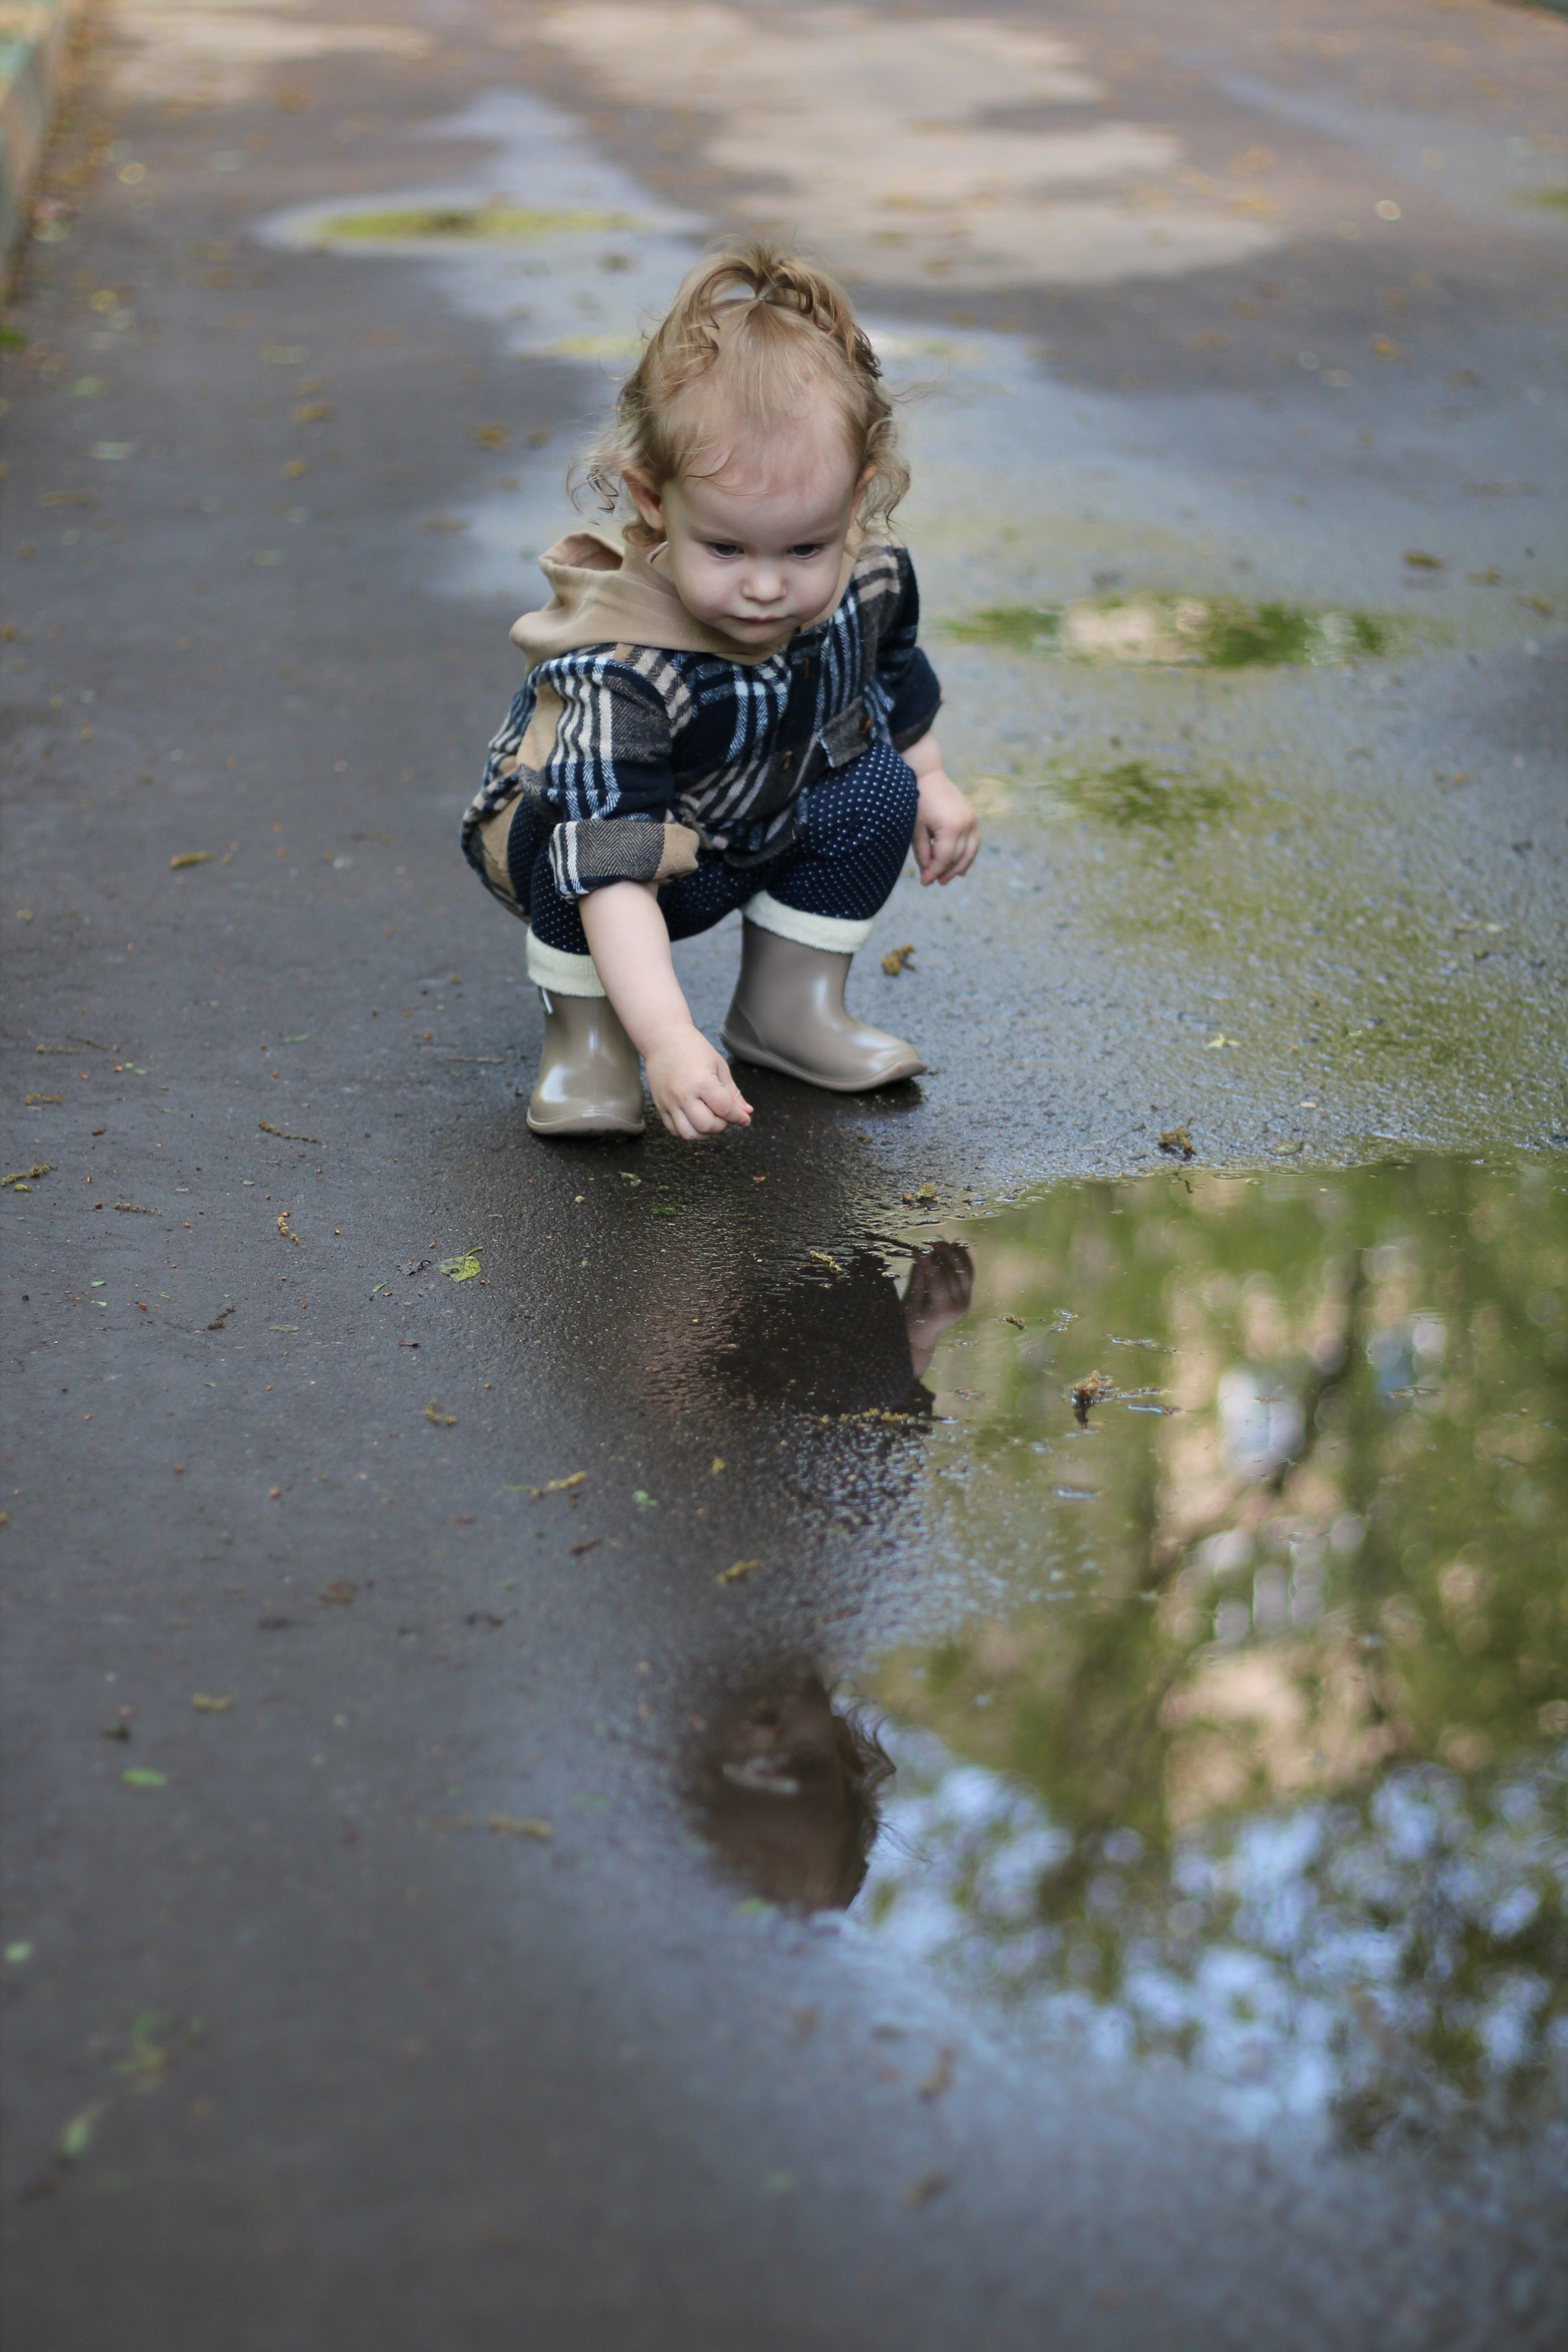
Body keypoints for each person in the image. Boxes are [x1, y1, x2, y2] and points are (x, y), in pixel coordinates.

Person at [461, 244, 979, 1140]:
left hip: (749, 820)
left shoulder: (869, 576)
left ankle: (787, 1009)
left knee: (881, 783)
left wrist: (932, 779)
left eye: (804, 549)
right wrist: (665, 1037)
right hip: (600, 862)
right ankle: (589, 1046)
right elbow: (613, 865)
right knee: (567, 835)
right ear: (653, 500)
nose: (769, 587)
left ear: (855, 503)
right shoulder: (626, 668)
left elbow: (891, 678)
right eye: (729, 550)